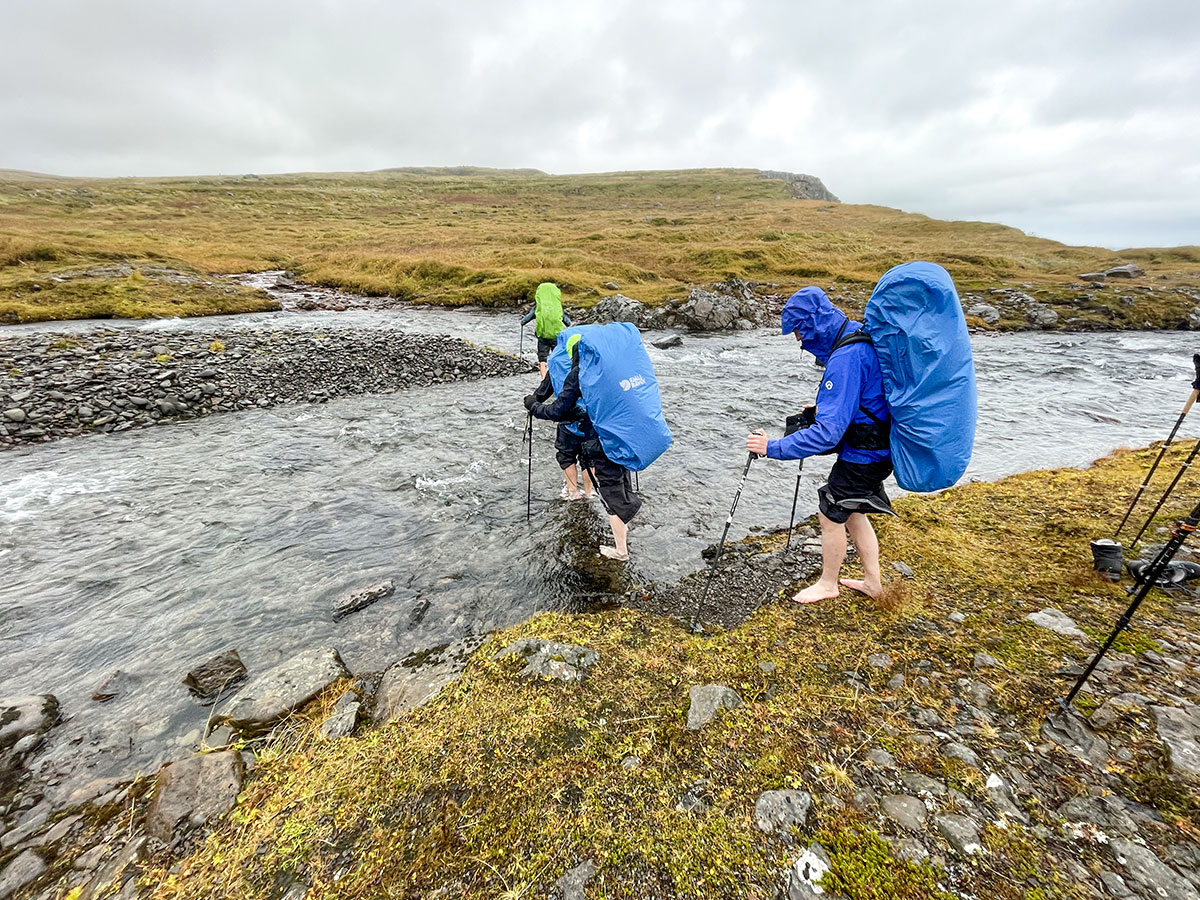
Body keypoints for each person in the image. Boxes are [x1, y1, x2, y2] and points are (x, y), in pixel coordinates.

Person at [746, 286, 893, 602]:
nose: (799, 340)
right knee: (854, 511)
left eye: (799, 330)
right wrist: (818, 411)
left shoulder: (846, 357)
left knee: (831, 511)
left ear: (815, 322)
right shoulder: (858, 337)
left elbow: (827, 434)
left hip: (864, 455)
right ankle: (873, 583)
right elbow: (865, 400)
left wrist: (771, 447)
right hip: (879, 448)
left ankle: (829, 584)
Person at [525, 336, 641, 561]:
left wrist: (533, 405)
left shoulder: (570, 370)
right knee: (607, 476)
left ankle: (619, 548)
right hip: (615, 436)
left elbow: (556, 408)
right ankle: (591, 493)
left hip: (586, 433)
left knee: (575, 462)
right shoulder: (609, 367)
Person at [529, 366, 595, 501]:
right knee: (590, 458)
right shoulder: (593, 363)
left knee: (566, 456)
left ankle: (573, 492)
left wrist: (533, 402)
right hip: (591, 419)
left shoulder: (556, 360)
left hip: (566, 418)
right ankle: (589, 493)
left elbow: (546, 387)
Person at [521, 282, 572, 378]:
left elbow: (528, 318)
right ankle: (558, 377)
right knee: (557, 357)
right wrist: (569, 324)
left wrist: (522, 322)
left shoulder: (538, 307)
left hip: (542, 336)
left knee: (542, 360)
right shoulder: (557, 307)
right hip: (556, 336)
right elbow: (567, 321)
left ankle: (544, 380)